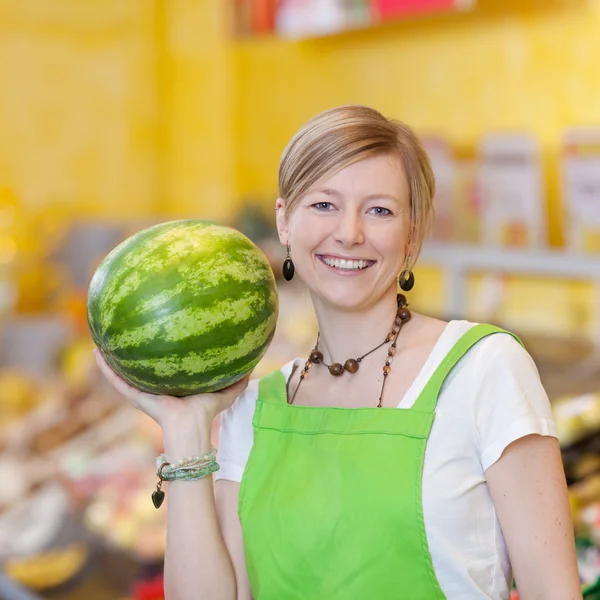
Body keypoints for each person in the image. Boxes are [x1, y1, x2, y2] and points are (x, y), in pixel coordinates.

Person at [95, 105, 582, 600]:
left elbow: (553, 592)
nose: (349, 232)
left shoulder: (483, 369)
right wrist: (184, 430)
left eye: (379, 210)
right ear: (284, 222)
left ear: (412, 233)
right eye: (324, 205)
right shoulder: (255, 407)